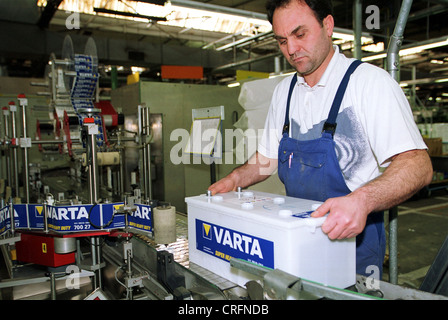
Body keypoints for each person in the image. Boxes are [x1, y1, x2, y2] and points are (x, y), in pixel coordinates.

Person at [208, 0, 433, 277]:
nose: (291, 49)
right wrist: (234, 180)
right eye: (282, 40)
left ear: (327, 26)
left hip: (354, 247)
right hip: (297, 240)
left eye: (300, 34)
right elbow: (267, 159)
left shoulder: (368, 83)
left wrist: (361, 201)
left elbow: (418, 165)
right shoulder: (284, 92)